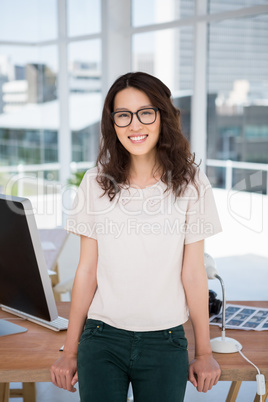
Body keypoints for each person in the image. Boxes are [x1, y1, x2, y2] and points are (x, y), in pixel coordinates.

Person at [50, 71, 222, 402]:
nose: (134, 125)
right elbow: (87, 271)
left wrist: (204, 352)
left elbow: (194, 272)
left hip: (166, 341)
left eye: (146, 113)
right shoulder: (95, 182)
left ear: (163, 116)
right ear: (112, 123)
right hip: (101, 338)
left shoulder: (192, 183)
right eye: (123, 115)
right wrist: (69, 350)